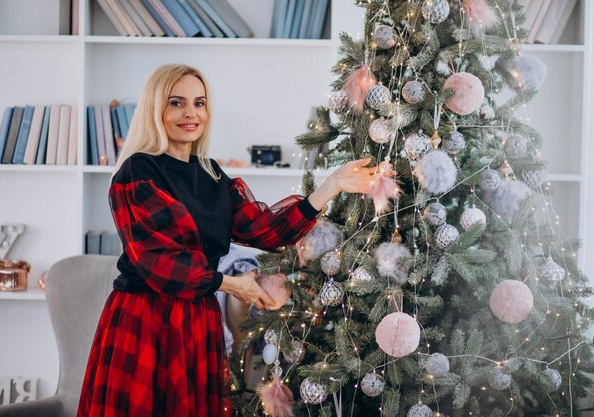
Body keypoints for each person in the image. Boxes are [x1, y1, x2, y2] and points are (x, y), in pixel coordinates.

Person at [76, 63, 395, 417]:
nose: (190, 114)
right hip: (147, 320)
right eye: (176, 103)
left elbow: (267, 231)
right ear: (156, 109)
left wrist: (331, 185)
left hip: (195, 318)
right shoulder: (138, 171)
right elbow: (158, 263)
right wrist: (230, 284)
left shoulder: (211, 175)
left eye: (199, 103)